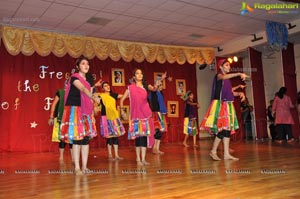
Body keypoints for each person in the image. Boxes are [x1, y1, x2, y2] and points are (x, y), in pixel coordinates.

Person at [200, 58, 248, 161]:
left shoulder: (227, 80)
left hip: (228, 105)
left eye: (229, 65)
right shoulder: (219, 76)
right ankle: (213, 151)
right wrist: (239, 73)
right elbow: (224, 76)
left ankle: (226, 154)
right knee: (222, 130)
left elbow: (230, 93)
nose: (229, 67)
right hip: (220, 105)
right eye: (226, 65)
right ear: (221, 67)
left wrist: (240, 93)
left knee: (227, 131)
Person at [60, 57, 100, 175]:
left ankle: (85, 167)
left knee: (86, 139)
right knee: (77, 139)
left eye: (87, 63)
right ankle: (77, 167)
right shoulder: (74, 78)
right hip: (75, 109)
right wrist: (93, 97)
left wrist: (94, 105)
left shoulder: (88, 81)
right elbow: (82, 89)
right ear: (77, 67)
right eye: (83, 63)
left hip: (86, 110)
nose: (86, 65)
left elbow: (89, 91)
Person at [120, 68, 165, 166]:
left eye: (141, 73)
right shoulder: (130, 88)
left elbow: (154, 88)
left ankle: (143, 159)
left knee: (144, 137)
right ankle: (138, 159)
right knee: (138, 137)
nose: (139, 75)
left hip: (146, 115)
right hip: (135, 116)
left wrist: (159, 81)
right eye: (137, 73)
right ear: (134, 76)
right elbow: (122, 100)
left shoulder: (145, 85)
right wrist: (122, 112)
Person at [94, 81, 125, 160]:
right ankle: (110, 155)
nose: (107, 87)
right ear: (102, 88)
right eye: (105, 86)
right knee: (109, 137)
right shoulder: (101, 96)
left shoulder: (113, 95)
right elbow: (92, 96)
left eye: (108, 85)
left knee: (116, 137)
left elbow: (124, 96)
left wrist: (131, 91)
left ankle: (117, 155)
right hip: (106, 118)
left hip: (114, 117)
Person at [48, 88, 73, 162]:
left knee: (71, 138)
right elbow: (54, 104)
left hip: (71, 118)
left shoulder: (75, 93)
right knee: (62, 138)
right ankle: (61, 157)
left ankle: (73, 158)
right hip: (61, 117)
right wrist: (51, 116)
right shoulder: (61, 92)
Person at [148, 77, 168, 154]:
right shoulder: (153, 93)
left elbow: (162, 104)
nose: (161, 85)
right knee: (157, 131)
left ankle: (157, 148)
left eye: (161, 84)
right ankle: (154, 148)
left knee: (161, 131)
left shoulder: (160, 93)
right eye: (160, 84)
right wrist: (159, 80)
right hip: (155, 113)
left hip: (160, 113)